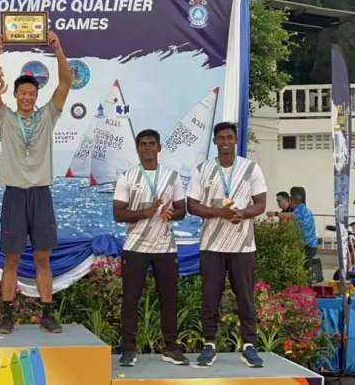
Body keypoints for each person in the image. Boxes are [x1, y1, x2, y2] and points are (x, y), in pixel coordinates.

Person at [0, 30, 72, 334]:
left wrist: (58, 48)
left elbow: (65, 82)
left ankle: (47, 313)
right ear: (16, 95)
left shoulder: (47, 116)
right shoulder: (5, 118)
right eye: (22, 93)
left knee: (42, 256)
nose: (27, 97)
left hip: (40, 194)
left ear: (36, 96)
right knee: (11, 256)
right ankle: (6, 313)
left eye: (32, 93)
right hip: (14, 195)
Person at [187, 122, 267, 368]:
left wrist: (242, 213)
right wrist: (219, 213)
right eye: (221, 137)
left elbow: (261, 203)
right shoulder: (203, 169)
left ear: (235, 140)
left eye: (229, 137)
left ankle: (249, 346)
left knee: (245, 296)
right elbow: (192, 205)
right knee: (210, 296)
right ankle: (209, 344)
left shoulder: (251, 168)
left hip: (242, 246)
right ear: (214, 141)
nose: (225, 141)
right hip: (212, 246)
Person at [113, 129, 188, 367]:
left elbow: (182, 210)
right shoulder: (127, 176)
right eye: (143, 144)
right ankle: (128, 349)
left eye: (151, 144)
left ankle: (171, 347)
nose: (147, 148)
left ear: (159, 148)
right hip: (136, 246)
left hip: (165, 247)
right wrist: (145, 212)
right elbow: (118, 213)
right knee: (131, 298)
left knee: (169, 298)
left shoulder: (172, 176)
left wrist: (171, 213)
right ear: (138, 149)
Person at [274, 187, 318, 267]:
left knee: (300, 268)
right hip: (309, 245)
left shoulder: (300, 209)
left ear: (293, 199)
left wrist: (276, 214)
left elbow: (292, 216)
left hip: (308, 246)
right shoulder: (305, 209)